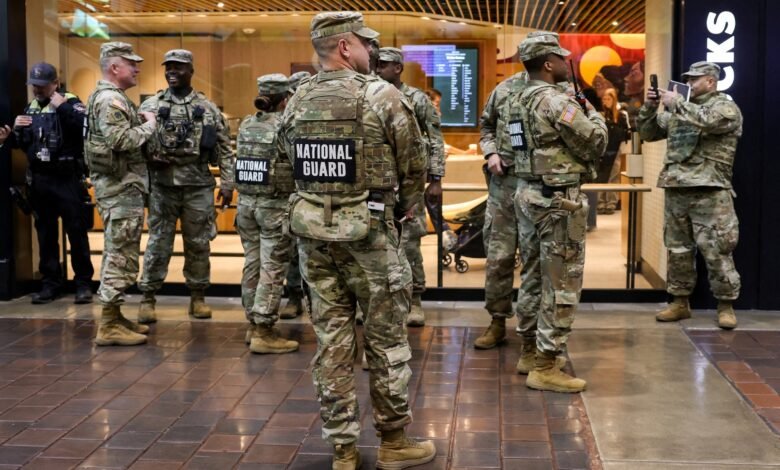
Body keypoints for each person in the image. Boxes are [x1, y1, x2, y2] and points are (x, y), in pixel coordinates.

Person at [279, 12, 435, 470]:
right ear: (345, 46)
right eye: (367, 43)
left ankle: (343, 449)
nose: (372, 51)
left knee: (332, 342)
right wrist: (405, 206)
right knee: (386, 340)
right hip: (370, 237)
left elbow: (283, 167)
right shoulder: (381, 96)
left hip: (313, 237)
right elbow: (413, 165)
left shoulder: (295, 101)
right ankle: (392, 442)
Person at [509, 32, 607, 392]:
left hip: (528, 194)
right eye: (562, 59)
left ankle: (530, 350)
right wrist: (591, 110)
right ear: (548, 64)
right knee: (563, 278)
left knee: (534, 274)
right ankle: (546, 365)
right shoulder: (555, 101)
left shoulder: (517, 100)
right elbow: (595, 139)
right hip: (557, 200)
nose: (567, 64)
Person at [638, 61, 743, 330]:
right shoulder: (677, 110)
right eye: (688, 79)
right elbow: (648, 133)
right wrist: (650, 107)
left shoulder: (725, 107)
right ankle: (680, 302)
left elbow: (708, 121)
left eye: (694, 79)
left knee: (717, 249)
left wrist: (677, 104)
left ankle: (726, 305)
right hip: (677, 188)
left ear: (710, 81)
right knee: (678, 249)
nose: (689, 83)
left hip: (711, 190)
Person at [136, 49, 234, 323]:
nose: (172, 72)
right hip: (162, 187)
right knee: (158, 243)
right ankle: (148, 297)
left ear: (191, 70)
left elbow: (225, 149)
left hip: (198, 186)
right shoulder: (150, 107)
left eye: (178, 68)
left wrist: (227, 184)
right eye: (168, 68)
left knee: (199, 243)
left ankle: (198, 297)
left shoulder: (208, 108)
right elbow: (134, 147)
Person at [0, 62, 94, 305]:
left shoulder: (71, 102)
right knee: (45, 235)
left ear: (56, 84)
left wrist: (61, 108)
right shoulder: (29, 109)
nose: (38, 90)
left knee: (77, 233)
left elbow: (83, 129)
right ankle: (51, 284)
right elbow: (24, 147)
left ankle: (83, 284)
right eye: (34, 86)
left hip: (67, 178)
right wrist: (14, 135)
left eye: (42, 86)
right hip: (41, 180)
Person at [84, 42, 157, 346]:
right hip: (120, 188)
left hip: (120, 187)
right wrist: (149, 126)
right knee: (119, 254)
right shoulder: (111, 99)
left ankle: (115, 317)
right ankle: (108, 325)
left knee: (121, 251)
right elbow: (119, 140)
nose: (137, 68)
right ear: (115, 67)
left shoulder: (108, 97)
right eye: (132, 64)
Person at [376, 46, 445, 326]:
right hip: (379, 181)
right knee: (376, 242)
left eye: (383, 65)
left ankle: (415, 299)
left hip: (411, 182)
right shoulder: (370, 96)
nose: (377, 70)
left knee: (410, 242)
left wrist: (436, 179)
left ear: (398, 68)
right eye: (375, 65)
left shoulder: (416, 98)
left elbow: (435, 137)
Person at [236, 74, 299, 354]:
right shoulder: (287, 126)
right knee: (272, 268)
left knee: (252, 264)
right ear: (286, 98)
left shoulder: (248, 124)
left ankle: (252, 323)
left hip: (247, 205)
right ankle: (264, 330)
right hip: (275, 206)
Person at [473, 68, 529, 350]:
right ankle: (497, 321)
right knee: (498, 256)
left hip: (542, 187)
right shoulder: (505, 89)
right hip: (505, 184)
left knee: (540, 261)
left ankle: (535, 329)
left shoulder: (564, 91)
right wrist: (491, 152)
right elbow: (486, 127)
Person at [278, 70, 312, 320]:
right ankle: (293, 297)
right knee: (291, 251)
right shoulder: (283, 121)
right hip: (289, 194)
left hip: (314, 195)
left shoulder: (317, 118)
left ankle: (315, 302)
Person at [596, 87, 630, 214]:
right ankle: (600, 203)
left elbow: (627, 131)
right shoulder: (600, 115)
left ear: (613, 99)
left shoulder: (622, 115)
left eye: (608, 99)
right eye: (604, 99)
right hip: (602, 149)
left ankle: (611, 203)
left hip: (616, 149)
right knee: (600, 176)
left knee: (613, 176)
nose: (605, 101)